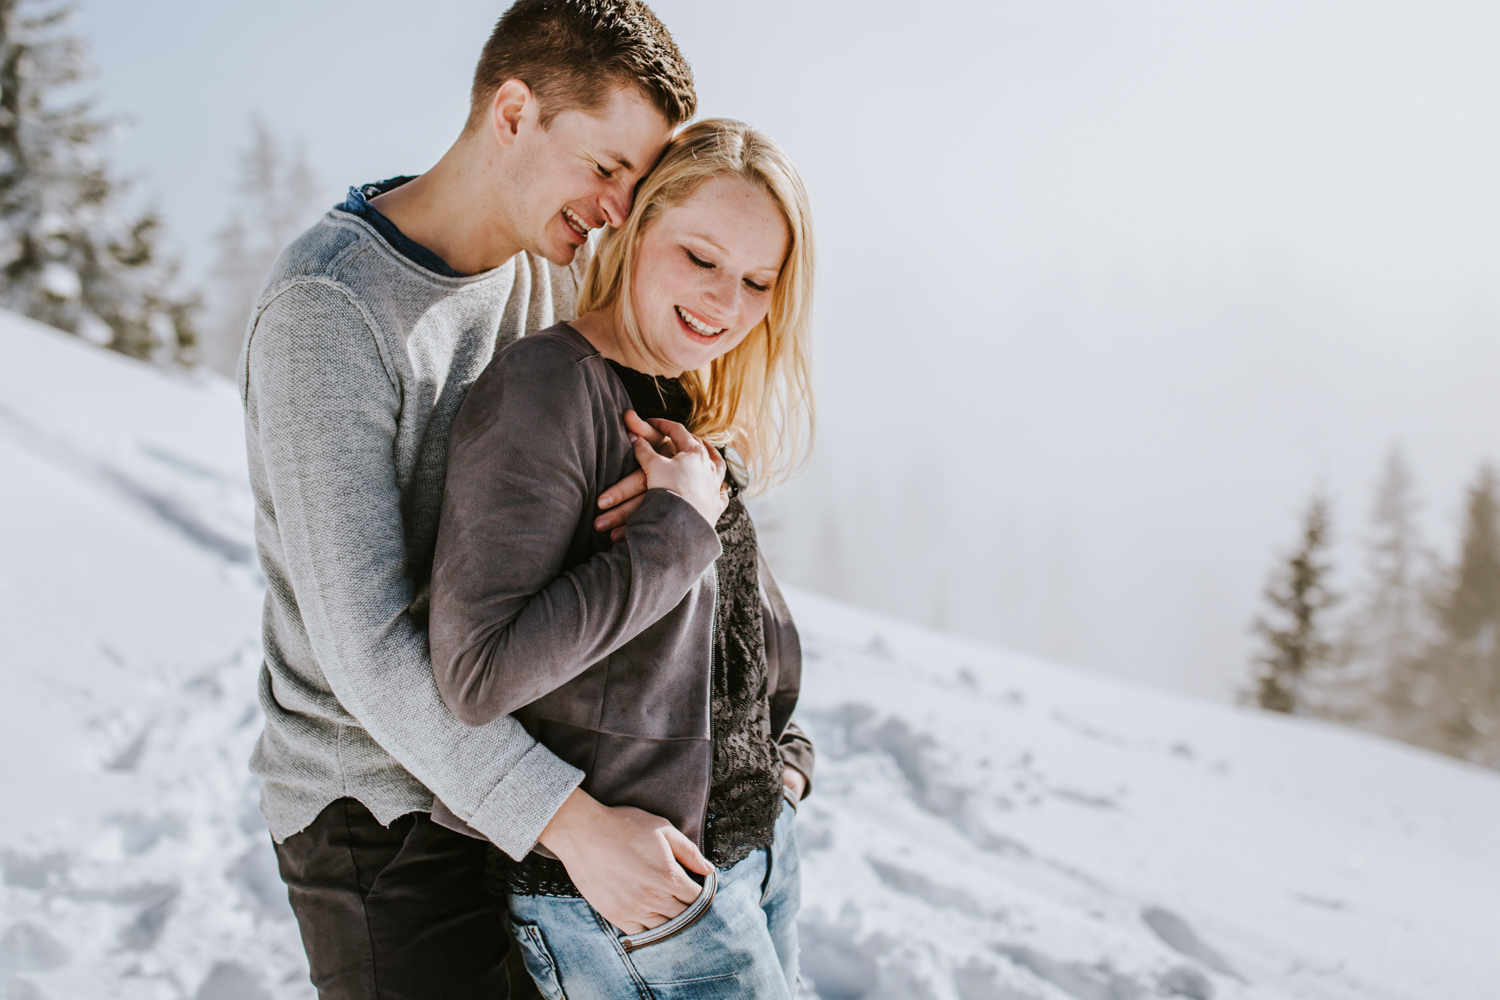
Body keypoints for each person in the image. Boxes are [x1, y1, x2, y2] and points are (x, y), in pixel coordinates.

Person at [236, 2, 707, 997]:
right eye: (607, 167)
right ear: (513, 111)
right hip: (378, 818)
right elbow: (366, 651)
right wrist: (574, 826)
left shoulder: (545, 269)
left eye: (639, 181)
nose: (619, 208)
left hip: (503, 775)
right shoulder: (331, 309)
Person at [428, 118, 816, 1000]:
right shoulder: (547, 388)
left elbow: (733, 637)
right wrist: (677, 525)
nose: (725, 303)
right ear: (640, 230)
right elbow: (477, 674)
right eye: (701, 258)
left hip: (752, 855)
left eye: (759, 281)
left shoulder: (679, 398)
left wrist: (786, 766)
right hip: (640, 902)